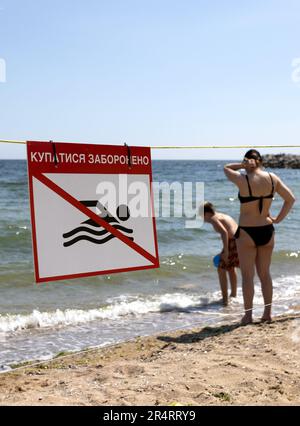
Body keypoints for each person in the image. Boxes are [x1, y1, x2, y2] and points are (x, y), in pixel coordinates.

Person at [224, 149, 296, 325]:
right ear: (261, 161)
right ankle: (267, 314)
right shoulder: (272, 178)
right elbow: (291, 199)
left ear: (249, 162)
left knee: (248, 276)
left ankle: (248, 316)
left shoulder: (243, 179)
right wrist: (278, 219)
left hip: (247, 232)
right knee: (265, 274)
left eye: (246, 161)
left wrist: (242, 165)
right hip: (267, 229)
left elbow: (226, 168)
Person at [203, 201, 239, 306]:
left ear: (206, 213)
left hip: (233, 241)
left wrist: (226, 251)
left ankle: (225, 300)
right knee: (231, 268)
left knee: (221, 269)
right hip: (239, 240)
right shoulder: (222, 215)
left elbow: (224, 232)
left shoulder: (214, 219)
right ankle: (233, 295)